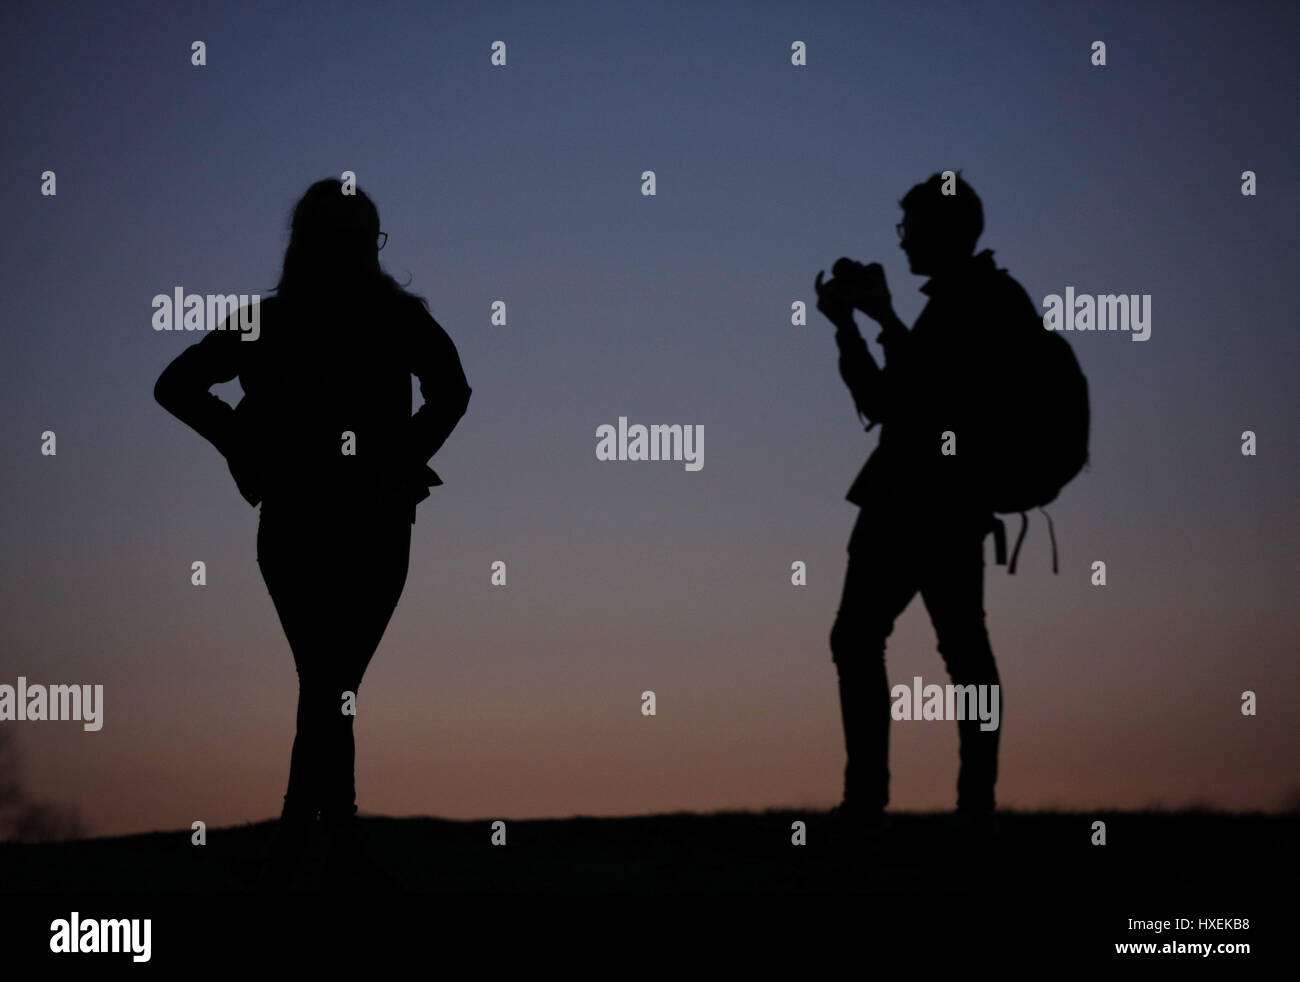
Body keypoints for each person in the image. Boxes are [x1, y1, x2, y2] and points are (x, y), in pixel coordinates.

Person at [154, 179, 471, 888]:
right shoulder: (384, 316)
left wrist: (245, 445)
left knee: (327, 682)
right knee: (332, 683)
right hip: (354, 521)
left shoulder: (276, 319)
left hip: (330, 519)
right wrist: (248, 445)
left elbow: (176, 385)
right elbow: (453, 393)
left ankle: (307, 845)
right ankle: (328, 846)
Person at [814, 172, 1037, 841]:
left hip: (934, 503)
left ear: (948, 232)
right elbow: (887, 404)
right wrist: (850, 327)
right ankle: (894, 801)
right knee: (929, 646)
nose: (903, 242)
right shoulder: (953, 304)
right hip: (910, 500)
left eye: (911, 229)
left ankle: (949, 804)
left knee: (951, 650)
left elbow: (942, 399)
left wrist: (881, 319)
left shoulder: (991, 302)